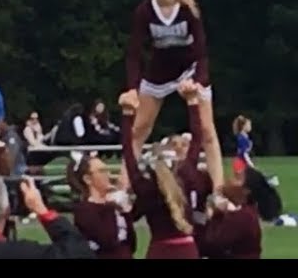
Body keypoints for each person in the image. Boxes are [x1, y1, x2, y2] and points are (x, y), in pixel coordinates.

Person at [122, 0, 224, 190]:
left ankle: (219, 190)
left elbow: (201, 51)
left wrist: (197, 81)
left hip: (189, 70)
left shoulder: (189, 8)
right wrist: (133, 88)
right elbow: (134, 53)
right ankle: (123, 189)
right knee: (138, 131)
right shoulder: (144, 12)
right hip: (158, 73)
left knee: (207, 131)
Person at [120, 79, 205, 259]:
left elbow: (129, 151)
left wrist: (127, 114)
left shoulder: (147, 187)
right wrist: (192, 102)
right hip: (188, 251)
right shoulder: (187, 175)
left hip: (160, 251)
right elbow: (198, 138)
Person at [66, 154, 136, 259]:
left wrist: (124, 211)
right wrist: (109, 207)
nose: (108, 174)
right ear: (88, 179)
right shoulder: (84, 210)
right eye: (102, 171)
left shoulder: (113, 204)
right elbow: (108, 241)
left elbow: (131, 244)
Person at [203, 181, 262, 259]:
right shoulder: (247, 213)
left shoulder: (237, 218)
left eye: (220, 196)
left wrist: (213, 217)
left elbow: (213, 243)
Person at [232, 115, 254, 183]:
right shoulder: (242, 138)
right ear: (243, 126)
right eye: (248, 125)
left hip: (243, 162)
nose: (250, 127)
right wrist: (250, 163)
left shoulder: (245, 137)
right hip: (240, 163)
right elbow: (244, 153)